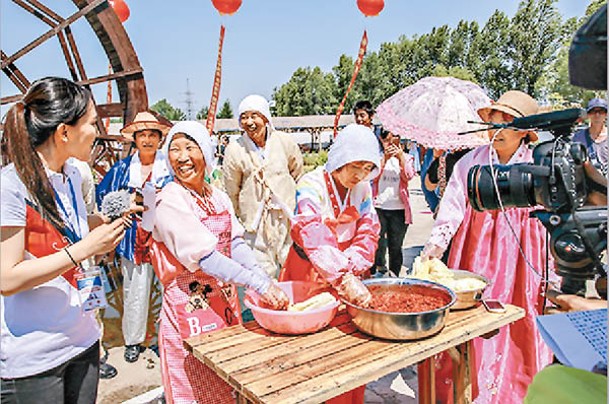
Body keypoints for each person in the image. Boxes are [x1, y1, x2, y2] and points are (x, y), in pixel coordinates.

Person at [140, 121, 289, 404]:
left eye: (189, 147)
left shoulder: (217, 195)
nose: (181, 157)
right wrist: (257, 284)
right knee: (195, 380)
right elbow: (205, 257)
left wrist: (262, 278)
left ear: (206, 153)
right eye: (174, 149)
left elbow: (234, 243)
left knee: (226, 379)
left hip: (223, 304)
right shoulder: (169, 198)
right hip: (189, 305)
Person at [421, 90, 553, 403]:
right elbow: (451, 207)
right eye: (493, 123)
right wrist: (435, 248)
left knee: (522, 319)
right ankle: (475, 388)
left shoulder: (537, 163)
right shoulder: (471, 162)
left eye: (506, 123)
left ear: (523, 131)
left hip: (525, 254)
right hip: (478, 252)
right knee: (478, 321)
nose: (497, 130)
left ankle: (516, 390)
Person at [0, 77, 127, 402]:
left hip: (83, 339)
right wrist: (84, 248)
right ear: (64, 132)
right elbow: (8, 278)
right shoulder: (11, 187)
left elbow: (66, 227)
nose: (97, 131)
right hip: (36, 355)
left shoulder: (71, 174)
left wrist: (108, 222)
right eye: (91, 123)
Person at [279, 123, 380, 404]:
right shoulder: (310, 185)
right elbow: (311, 229)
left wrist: (355, 262)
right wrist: (343, 276)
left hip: (347, 267)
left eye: (367, 168)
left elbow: (369, 228)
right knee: (312, 348)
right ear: (340, 158)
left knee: (348, 346)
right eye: (355, 166)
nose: (360, 175)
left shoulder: (362, 189)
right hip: (309, 269)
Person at [96, 111, 173, 363]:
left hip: (165, 238)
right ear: (135, 139)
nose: (148, 140)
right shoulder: (121, 169)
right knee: (135, 290)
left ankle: (167, 337)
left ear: (160, 139)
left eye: (153, 135)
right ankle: (133, 341)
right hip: (133, 239)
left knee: (168, 290)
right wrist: (121, 211)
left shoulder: (170, 168)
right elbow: (102, 198)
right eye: (143, 135)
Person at [222, 95, 304, 278]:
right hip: (254, 223)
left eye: (254, 116)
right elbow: (231, 189)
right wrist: (241, 218)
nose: (249, 122)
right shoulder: (234, 149)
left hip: (286, 216)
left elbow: (298, 173)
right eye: (244, 117)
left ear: (265, 118)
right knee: (261, 273)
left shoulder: (284, 141)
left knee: (289, 265)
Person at [72, 158, 118, 380]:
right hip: (52, 253)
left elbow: (89, 208)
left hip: (83, 252)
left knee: (91, 306)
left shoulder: (81, 169)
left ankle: (97, 354)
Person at [371, 130, 416, 276]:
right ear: (381, 140)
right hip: (379, 207)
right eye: (386, 140)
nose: (389, 143)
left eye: (393, 139)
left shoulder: (407, 158)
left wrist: (401, 157)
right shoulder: (377, 157)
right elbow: (373, 176)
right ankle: (376, 270)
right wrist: (385, 158)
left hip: (399, 208)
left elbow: (409, 176)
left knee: (395, 246)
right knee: (375, 242)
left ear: (399, 138)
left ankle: (394, 276)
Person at [572, 97, 608, 174]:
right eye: (593, 111)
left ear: (606, 114)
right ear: (588, 115)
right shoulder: (578, 137)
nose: (597, 115)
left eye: (601, 111)